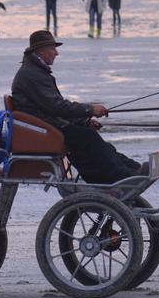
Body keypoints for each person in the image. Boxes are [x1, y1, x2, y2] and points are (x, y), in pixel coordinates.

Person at [10, 28, 145, 183]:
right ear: (40, 50)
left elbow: (53, 108)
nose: (56, 53)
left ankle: (131, 170)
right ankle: (120, 177)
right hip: (44, 129)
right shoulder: (32, 74)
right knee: (87, 137)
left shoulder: (36, 71)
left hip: (48, 124)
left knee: (88, 135)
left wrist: (84, 120)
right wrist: (90, 110)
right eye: (53, 49)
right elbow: (57, 107)